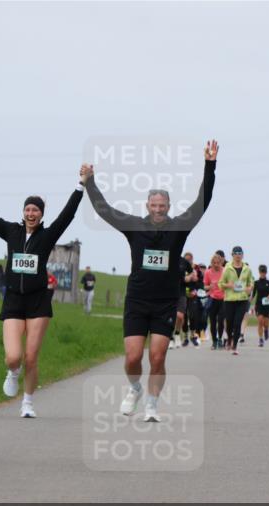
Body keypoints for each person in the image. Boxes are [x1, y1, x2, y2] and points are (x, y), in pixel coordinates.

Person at [82, 139, 218, 422]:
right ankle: (134, 389)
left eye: (163, 205)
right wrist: (90, 182)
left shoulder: (179, 228)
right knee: (133, 357)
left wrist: (210, 164)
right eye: (154, 204)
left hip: (165, 302)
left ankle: (152, 405)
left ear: (169, 206)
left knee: (157, 357)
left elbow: (203, 200)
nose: (158, 209)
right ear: (147, 205)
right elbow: (104, 209)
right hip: (137, 300)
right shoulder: (134, 227)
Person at [0, 165, 87, 418]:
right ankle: (13, 372)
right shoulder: (11, 232)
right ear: (22, 212)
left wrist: (81, 185)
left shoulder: (47, 236)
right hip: (13, 300)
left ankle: (27, 402)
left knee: (31, 356)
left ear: (41, 214)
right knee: (14, 357)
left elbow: (67, 215)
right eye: (27, 209)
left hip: (38, 302)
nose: (30, 213)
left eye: (35, 210)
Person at [220, 245, 253, 355]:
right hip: (229, 299)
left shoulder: (247, 269)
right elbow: (220, 284)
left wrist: (249, 288)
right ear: (232, 255)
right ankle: (229, 338)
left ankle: (234, 346)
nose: (238, 255)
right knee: (229, 322)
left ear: (242, 255)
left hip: (242, 299)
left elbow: (251, 282)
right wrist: (228, 285)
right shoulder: (227, 268)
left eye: (240, 253)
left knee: (237, 322)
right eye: (236, 253)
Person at [203, 253, 225, 349]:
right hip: (212, 298)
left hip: (223, 299)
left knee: (220, 320)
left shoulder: (225, 271)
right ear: (211, 263)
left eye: (218, 263)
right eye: (214, 263)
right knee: (212, 321)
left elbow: (229, 283)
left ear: (221, 263)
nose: (216, 265)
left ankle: (220, 339)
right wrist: (210, 287)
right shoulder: (208, 272)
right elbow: (204, 286)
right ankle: (214, 341)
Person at [181, 252, 203, 347]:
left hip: (193, 295)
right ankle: (185, 337)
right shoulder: (181, 267)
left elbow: (201, 282)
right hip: (183, 295)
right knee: (184, 317)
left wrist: (196, 287)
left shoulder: (196, 268)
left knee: (193, 316)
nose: (188, 261)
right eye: (186, 259)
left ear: (192, 259)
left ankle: (193, 335)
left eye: (190, 259)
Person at [252, 264, 269, 347]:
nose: (263, 274)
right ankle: (261, 339)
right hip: (259, 305)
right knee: (260, 321)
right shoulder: (256, 282)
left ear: (266, 272)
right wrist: (249, 300)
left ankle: (266, 330)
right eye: (261, 272)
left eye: (264, 272)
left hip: (267, 304)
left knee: (265, 323)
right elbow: (253, 294)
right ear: (259, 272)